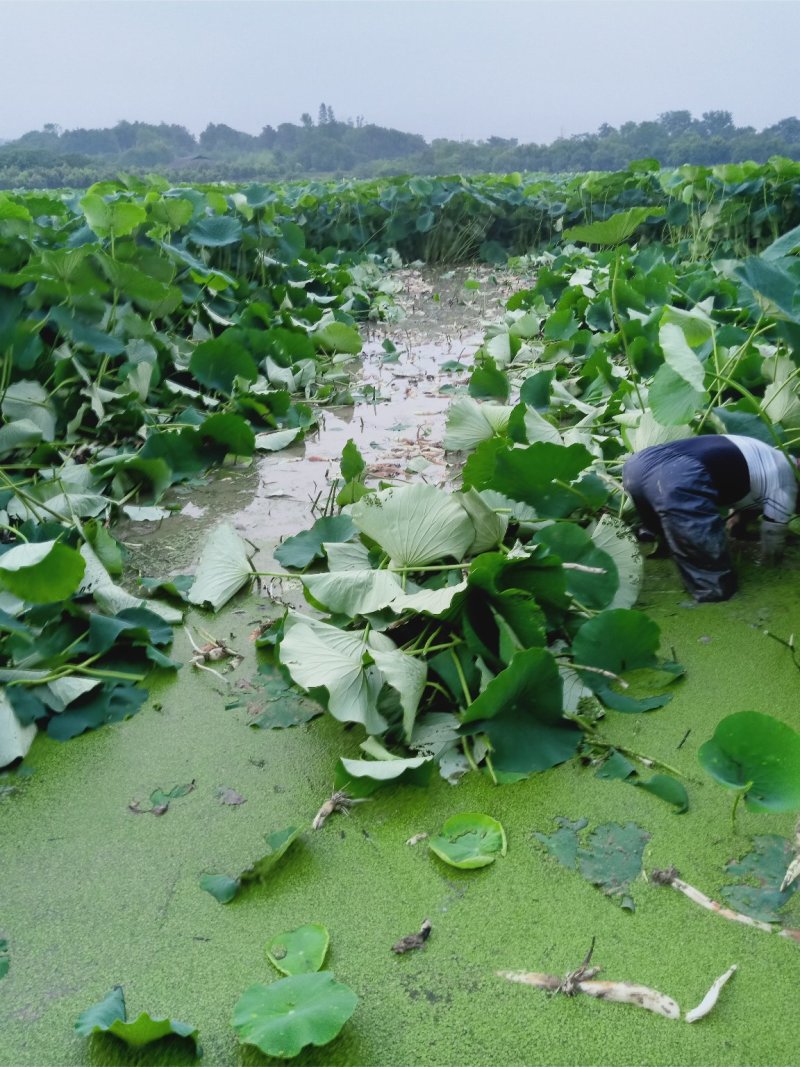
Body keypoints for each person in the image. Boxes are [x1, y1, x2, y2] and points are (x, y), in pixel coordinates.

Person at [622, 434, 798, 602]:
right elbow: (773, 534)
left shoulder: (771, 457)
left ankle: (653, 539)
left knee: (667, 538)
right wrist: (772, 566)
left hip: (638, 465)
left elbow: (748, 492)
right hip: (678, 476)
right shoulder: (787, 481)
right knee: (715, 585)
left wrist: (738, 531)